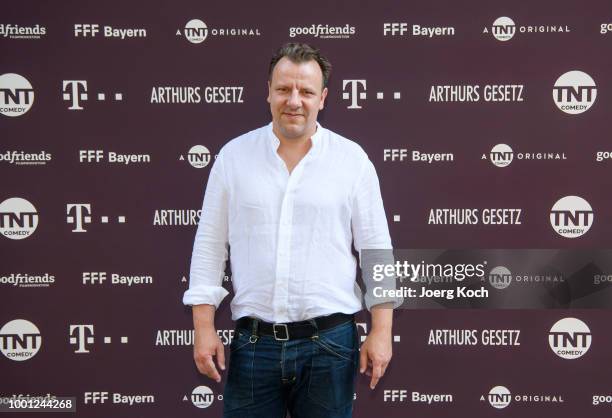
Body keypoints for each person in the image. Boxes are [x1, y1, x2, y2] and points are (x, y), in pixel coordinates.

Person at [183, 42, 398, 418]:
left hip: (331, 346)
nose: (294, 100)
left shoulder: (352, 161)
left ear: (323, 98)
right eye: (284, 89)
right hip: (253, 346)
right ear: (268, 91)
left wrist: (381, 330)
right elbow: (209, 245)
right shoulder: (233, 157)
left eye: (306, 91)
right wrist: (203, 326)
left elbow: (376, 250)